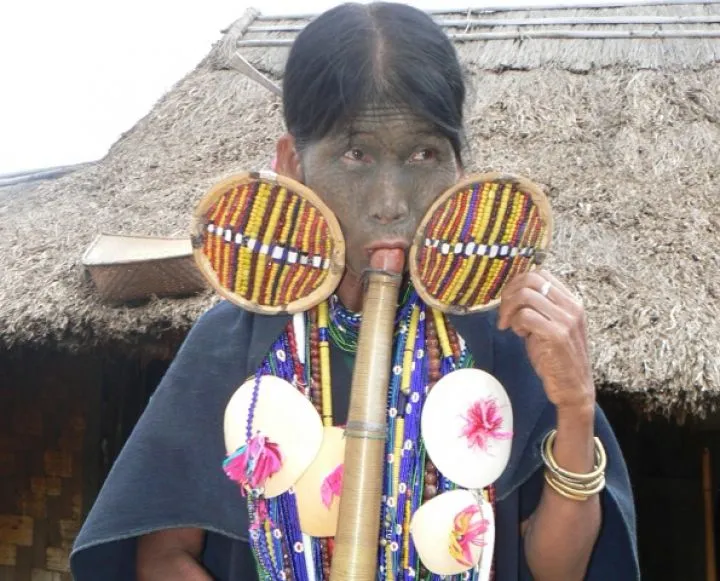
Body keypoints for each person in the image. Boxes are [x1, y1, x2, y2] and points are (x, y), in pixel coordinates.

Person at [70, 3, 639, 580]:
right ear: (292, 164)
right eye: (355, 154)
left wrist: (576, 408)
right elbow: (164, 556)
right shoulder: (230, 343)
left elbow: (560, 571)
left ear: (460, 171)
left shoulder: (500, 339)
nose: (390, 202)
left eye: (423, 154)